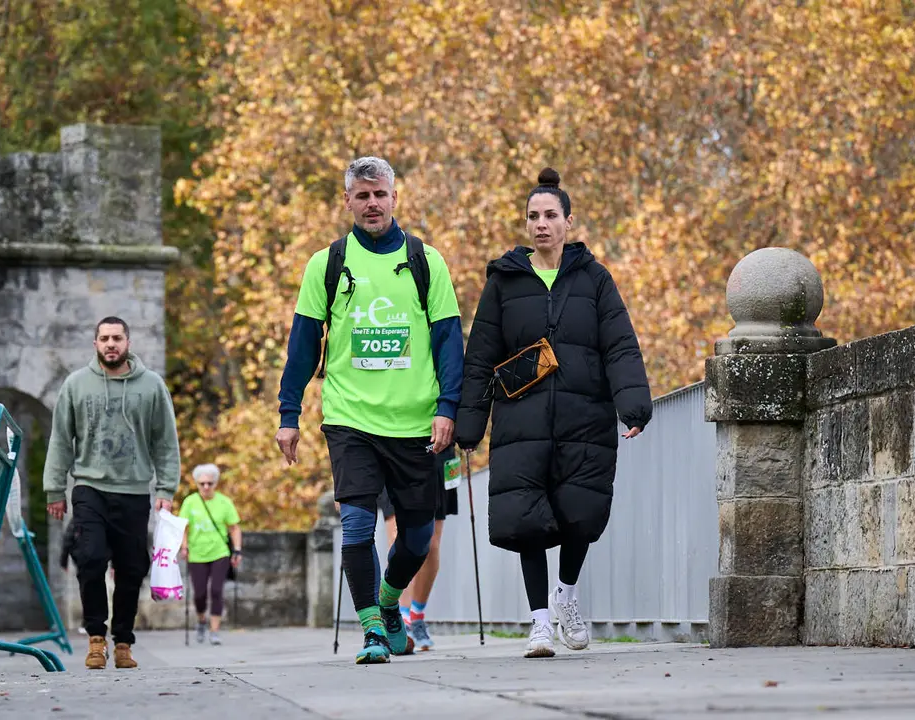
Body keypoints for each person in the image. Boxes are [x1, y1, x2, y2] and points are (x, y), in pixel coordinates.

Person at [456, 168, 652, 659]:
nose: (541, 224)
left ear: (568, 221)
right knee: (525, 517)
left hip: (584, 416)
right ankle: (539, 622)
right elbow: (480, 354)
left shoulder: (595, 278)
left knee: (579, 511)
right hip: (521, 417)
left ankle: (565, 593)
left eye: (549, 215)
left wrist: (633, 404)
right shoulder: (504, 280)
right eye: (532, 216)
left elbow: (619, 344)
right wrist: (470, 423)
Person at [275, 156, 465, 664]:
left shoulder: (428, 261)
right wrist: (288, 415)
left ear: (395, 197)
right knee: (357, 526)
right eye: (362, 195)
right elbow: (301, 346)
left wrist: (449, 407)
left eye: (379, 193)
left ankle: (388, 604)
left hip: (416, 421)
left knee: (419, 537)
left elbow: (449, 341)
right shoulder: (327, 264)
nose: (372, 203)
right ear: (347, 202)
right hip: (350, 418)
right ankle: (372, 632)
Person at [44, 316, 181, 670]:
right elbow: (60, 439)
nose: (110, 344)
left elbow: (165, 441)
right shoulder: (76, 385)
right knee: (89, 557)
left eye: (117, 338)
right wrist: (54, 488)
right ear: (95, 344)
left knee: (132, 567)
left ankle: (122, 641)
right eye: (104, 338)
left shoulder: (151, 386)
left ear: (128, 342)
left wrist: (166, 487)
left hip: (134, 489)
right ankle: (95, 638)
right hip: (89, 487)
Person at [376, 446, 459, 653]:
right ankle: (400, 616)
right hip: (390, 446)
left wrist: (468, 431)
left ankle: (417, 615)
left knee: (431, 543)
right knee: (398, 537)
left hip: (436, 449)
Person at [178, 463, 242, 646]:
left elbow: (234, 528)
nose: (206, 487)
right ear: (197, 484)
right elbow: (184, 527)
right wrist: (184, 547)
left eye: (210, 483)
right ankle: (201, 621)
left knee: (216, 591)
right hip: (196, 553)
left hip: (219, 553)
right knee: (199, 594)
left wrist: (237, 550)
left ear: (215, 484)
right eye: (202, 483)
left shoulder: (224, 502)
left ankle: (214, 631)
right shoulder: (190, 502)